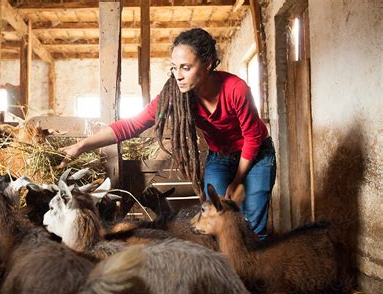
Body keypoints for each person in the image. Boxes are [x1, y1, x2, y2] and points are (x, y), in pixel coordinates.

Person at [59, 28, 276, 239]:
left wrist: (237, 180)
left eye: (185, 67)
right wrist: (82, 145)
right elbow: (132, 125)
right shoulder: (175, 95)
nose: (178, 76)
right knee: (215, 219)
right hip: (220, 156)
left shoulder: (236, 89)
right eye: (173, 67)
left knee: (252, 224)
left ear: (208, 64)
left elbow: (252, 137)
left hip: (256, 155)